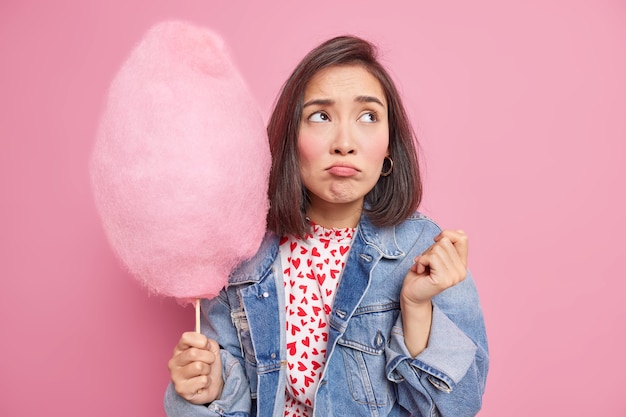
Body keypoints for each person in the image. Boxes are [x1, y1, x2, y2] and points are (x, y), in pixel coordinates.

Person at [165, 35, 489, 417]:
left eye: (368, 116)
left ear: (389, 147)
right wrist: (210, 388)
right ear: (290, 139)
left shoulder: (423, 251)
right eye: (320, 115)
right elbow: (236, 406)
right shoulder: (243, 253)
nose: (345, 143)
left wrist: (416, 307)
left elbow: (458, 407)